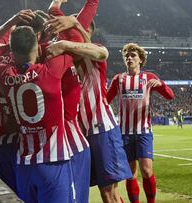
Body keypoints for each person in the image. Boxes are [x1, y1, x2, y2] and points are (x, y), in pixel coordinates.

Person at [0, 26, 75, 203]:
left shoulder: (4, 75)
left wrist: (8, 46)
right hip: (53, 159)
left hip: (24, 161)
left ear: (13, 51)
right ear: (36, 46)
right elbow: (78, 45)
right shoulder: (50, 70)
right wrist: (63, 42)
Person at [46, 19, 132, 203]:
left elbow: (101, 53)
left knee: (108, 193)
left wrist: (76, 25)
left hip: (101, 128)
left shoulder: (93, 53)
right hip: (83, 134)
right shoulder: (67, 60)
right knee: (108, 193)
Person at [107, 43, 175, 203]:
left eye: (133, 56)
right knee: (131, 173)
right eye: (127, 56)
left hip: (143, 132)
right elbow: (106, 100)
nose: (129, 58)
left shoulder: (149, 77)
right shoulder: (119, 79)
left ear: (140, 60)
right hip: (124, 133)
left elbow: (170, 96)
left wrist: (162, 85)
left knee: (146, 170)